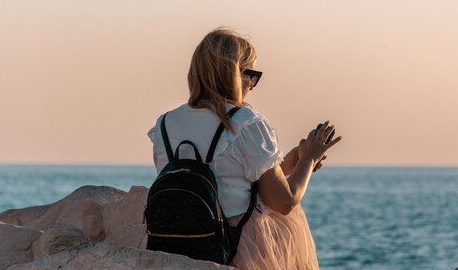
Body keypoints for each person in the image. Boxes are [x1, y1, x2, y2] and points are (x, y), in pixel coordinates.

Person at [147, 27, 342, 270]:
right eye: (251, 74)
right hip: (234, 243)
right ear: (232, 74)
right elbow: (284, 202)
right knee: (288, 219)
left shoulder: (165, 124)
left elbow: (226, 178)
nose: (252, 83)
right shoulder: (245, 121)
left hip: (177, 240)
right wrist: (309, 160)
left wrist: (292, 161)